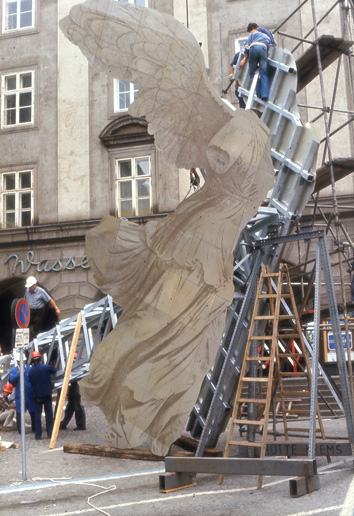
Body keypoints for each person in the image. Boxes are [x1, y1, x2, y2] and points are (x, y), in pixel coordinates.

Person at [28, 350, 57, 440]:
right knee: (48, 414)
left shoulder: (31, 372)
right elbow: (55, 370)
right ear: (40, 358)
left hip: (36, 396)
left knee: (37, 415)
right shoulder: (46, 367)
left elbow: (30, 381)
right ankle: (49, 433)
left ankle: (38, 435)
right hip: (46, 394)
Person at [240, 25, 272, 102]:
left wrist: (244, 59)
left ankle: (258, 94)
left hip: (254, 49)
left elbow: (247, 47)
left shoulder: (252, 34)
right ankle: (265, 95)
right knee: (263, 73)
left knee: (252, 73)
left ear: (252, 29)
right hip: (263, 50)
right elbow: (268, 50)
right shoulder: (266, 37)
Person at [9, 352, 35, 434]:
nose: (21, 362)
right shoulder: (14, 370)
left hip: (29, 394)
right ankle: (20, 430)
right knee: (19, 413)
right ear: (17, 362)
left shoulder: (29, 369)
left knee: (32, 411)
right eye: (19, 361)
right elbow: (11, 381)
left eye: (23, 361)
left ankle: (34, 428)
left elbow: (33, 381)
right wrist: (18, 373)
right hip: (19, 394)